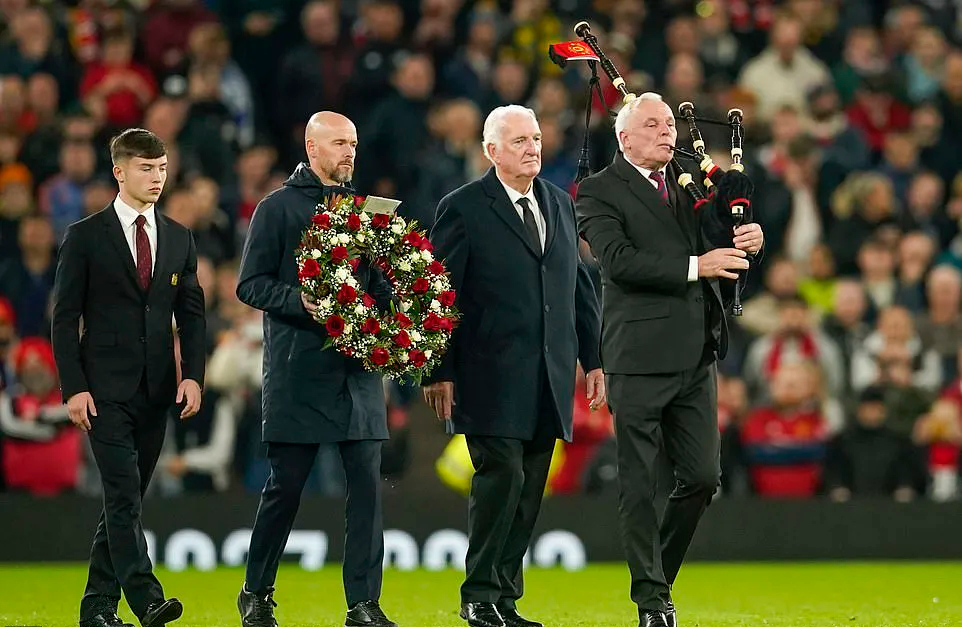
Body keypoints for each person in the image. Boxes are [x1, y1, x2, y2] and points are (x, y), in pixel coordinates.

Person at [575, 92, 764, 627]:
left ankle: (656, 577)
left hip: (697, 352)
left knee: (703, 478)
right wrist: (696, 265)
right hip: (636, 356)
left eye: (668, 124)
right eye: (652, 124)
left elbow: (724, 240)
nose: (667, 132)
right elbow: (618, 261)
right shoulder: (597, 190)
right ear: (624, 137)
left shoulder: (691, 181)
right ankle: (652, 600)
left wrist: (751, 238)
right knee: (638, 480)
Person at [423, 105, 603, 627]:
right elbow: (440, 293)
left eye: (536, 138)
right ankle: (478, 593)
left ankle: (503, 597)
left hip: (547, 375)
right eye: (519, 140)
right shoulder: (463, 207)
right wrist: (439, 369)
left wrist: (593, 359)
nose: (532, 148)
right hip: (487, 375)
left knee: (528, 488)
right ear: (491, 150)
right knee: (499, 477)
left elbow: (579, 287)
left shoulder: (559, 205)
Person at [235, 111, 397, 627]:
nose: (350, 152)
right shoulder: (277, 209)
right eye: (339, 143)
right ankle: (256, 592)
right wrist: (300, 300)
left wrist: (392, 316)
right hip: (299, 369)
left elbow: (383, 285)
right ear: (311, 146)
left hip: (358, 374)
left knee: (368, 489)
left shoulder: (371, 211)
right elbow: (250, 284)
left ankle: (363, 604)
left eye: (353, 143)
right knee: (286, 487)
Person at [51, 128, 206, 627]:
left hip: (158, 390)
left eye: (161, 168)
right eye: (146, 168)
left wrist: (194, 377)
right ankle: (147, 600)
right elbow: (64, 316)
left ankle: (96, 606)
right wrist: (73, 387)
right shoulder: (85, 236)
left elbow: (193, 315)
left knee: (127, 501)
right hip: (101, 392)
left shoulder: (180, 237)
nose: (156, 177)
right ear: (119, 171)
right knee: (122, 496)